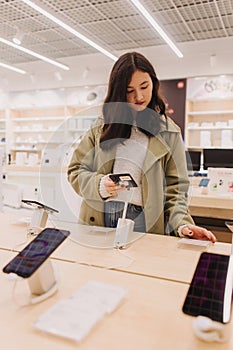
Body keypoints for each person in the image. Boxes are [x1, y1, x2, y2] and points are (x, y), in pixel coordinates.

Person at [68, 52, 216, 242]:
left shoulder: (169, 132)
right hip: (100, 217)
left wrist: (182, 225)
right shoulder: (101, 126)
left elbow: (176, 189)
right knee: (100, 270)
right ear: (119, 92)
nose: (139, 96)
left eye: (144, 86)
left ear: (154, 83)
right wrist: (99, 185)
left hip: (145, 220)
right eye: (129, 91)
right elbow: (75, 170)